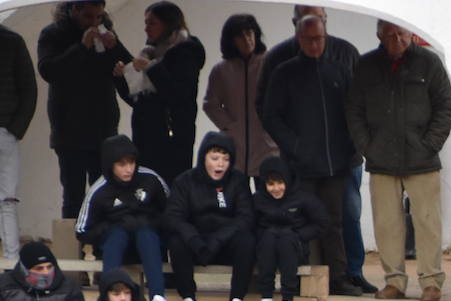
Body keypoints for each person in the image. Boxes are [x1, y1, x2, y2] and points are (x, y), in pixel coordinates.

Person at [256, 5, 369, 293]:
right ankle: (302, 279)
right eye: (309, 39)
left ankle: (339, 278)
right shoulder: (284, 71)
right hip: (301, 165)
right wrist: (294, 146)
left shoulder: (340, 70)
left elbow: (355, 110)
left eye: (320, 38)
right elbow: (270, 115)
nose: (315, 44)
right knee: (301, 221)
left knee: (335, 223)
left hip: (336, 165)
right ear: (299, 38)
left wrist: (350, 146)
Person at [347, 20, 451, 301]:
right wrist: (368, 147)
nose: (398, 40)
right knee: (386, 224)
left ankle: (431, 281)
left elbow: (446, 106)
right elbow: (354, 110)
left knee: (428, 221)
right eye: (391, 36)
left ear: (412, 34)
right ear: (379, 37)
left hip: (422, 158)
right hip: (381, 159)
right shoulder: (366, 65)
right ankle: (394, 281)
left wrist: (430, 144)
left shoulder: (429, 63)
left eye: (403, 34)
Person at [37, 1, 132, 219]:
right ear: (74, 10)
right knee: (73, 194)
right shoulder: (53, 34)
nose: (94, 22)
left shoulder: (105, 30)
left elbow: (127, 71)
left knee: (105, 192)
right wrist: (81, 47)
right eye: (89, 16)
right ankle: (73, 247)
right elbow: (48, 71)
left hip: (103, 125)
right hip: (69, 128)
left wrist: (114, 48)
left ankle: (103, 248)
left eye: (99, 16)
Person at [74, 134, 172, 301]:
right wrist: (113, 224)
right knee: (116, 235)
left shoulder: (151, 179)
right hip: (116, 248)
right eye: (121, 164)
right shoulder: (99, 190)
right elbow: (82, 230)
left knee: (146, 233)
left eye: (131, 163)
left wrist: (147, 221)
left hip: (149, 245)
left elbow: (172, 212)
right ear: (110, 165)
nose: (128, 169)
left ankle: (158, 299)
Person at [163, 131, 254, 301]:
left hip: (225, 244)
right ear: (203, 157)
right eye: (215, 158)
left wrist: (219, 238)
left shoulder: (238, 181)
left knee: (247, 240)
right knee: (176, 241)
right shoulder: (185, 181)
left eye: (226, 159)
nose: (220, 164)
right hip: (196, 245)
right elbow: (173, 217)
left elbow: (246, 217)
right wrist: (194, 239)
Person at [114, 2, 205, 186]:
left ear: (168, 23)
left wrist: (152, 68)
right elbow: (138, 100)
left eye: (151, 23)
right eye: (145, 23)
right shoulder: (149, 52)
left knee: (172, 191)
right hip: (146, 136)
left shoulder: (186, 52)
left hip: (172, 137)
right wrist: (120, 78)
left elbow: (178, 95)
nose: (146, 29)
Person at [202, 13, 277, 182]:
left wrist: (273, 128)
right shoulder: (221, 70)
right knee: (237, 200)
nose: (246, 39)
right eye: (240, 36)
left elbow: (284, 100)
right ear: (231, 41)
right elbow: (210, 104)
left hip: (267, 146)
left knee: (267, 201)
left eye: (249, 33)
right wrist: (229, 126)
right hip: (235, 147)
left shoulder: (270, 64)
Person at [251, 156, 325, 301]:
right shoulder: (258, 200)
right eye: (271, 184)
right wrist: (264, 234)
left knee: (286, 240)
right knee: (269, 239)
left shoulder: (302, 198)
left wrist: (298, 235)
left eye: (280, 183)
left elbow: (322, 222)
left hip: (293, 247)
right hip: (267, 248)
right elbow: (248, 224)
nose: (276, 189)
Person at [0, 23, 36, 264]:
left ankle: (12, 265)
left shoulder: (12, 41)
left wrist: (14, 130)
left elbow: (29, 89)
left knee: (7, 200)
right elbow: (29, 89)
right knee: (7, 201)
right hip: (7, 130)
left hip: (6, 131)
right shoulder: (12, 40)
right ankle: (12, 264)